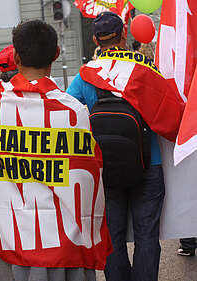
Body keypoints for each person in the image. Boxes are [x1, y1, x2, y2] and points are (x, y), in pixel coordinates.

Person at [0, 19, 112, 281]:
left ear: (16, 57)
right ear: (56, 54)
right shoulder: (74, 112)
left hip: (13, 240)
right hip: (65, 242)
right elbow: (89, 180)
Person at [67, 11, 184, 281]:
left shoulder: (85, 76)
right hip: (149, 165)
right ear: (123, 36)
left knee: (112, 237)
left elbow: (67, 113)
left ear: (95, 39)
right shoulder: (146, 70)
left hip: (105, 168)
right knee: (146, 237)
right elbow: (172, 116)